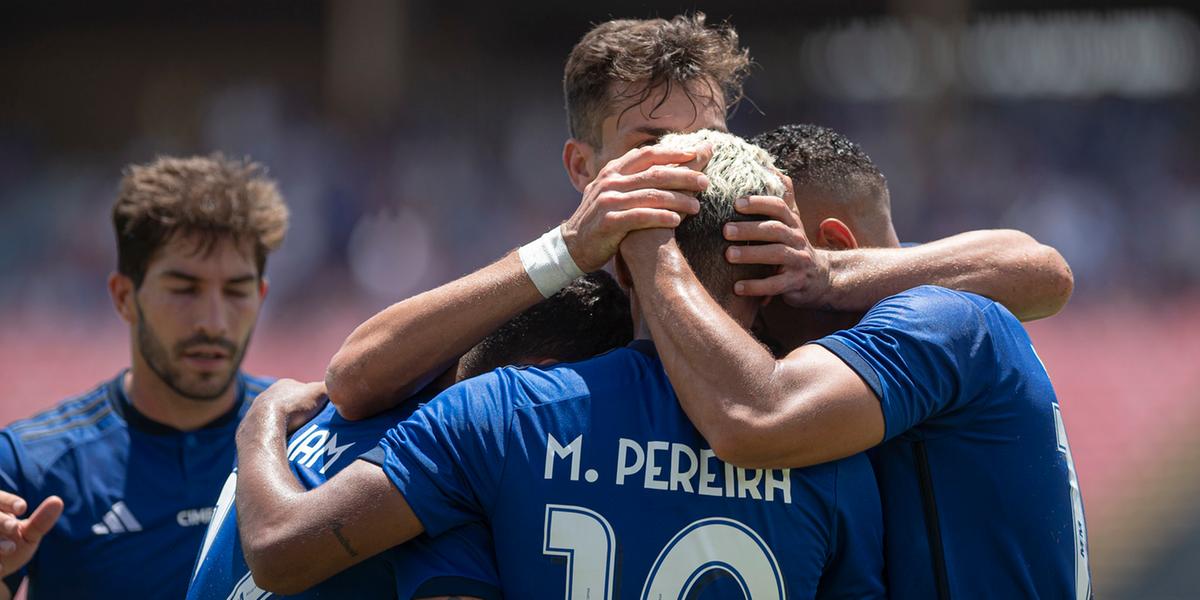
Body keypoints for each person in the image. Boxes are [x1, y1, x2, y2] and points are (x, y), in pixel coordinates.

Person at [323, 13, 1074, 426]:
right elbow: (354, 380)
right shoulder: (550, 309)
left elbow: (1038, 272)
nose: (691, 162)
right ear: (582, 169)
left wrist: (831, 271)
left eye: (710, 138)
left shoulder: (769, 274)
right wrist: (566, 250)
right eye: (652, 144)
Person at [234, 129, 887, 599]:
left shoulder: (497, 413)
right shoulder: (833, 459)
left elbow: (281, 551)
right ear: (770, 278)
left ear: (625, 268)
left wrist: (258, 425)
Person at [624, 123, 1091, 599]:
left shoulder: (937, 320)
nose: (747, 322)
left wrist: (646, 246)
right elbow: (1032, 266)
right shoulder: (915, 293)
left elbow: (755, 416)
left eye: (763, 276)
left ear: (833, 246)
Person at [187, 272, 633, 600]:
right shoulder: (445, 480)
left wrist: (259, 419)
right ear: (544, 377)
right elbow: (275, 547)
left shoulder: (297, 422)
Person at [0, 155, 288, 599]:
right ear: (123, 297)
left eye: (236, 291)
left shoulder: (301, 437)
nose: (213, 320)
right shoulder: (33, 464)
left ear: (261, 296)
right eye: (184, 288)